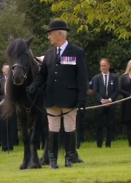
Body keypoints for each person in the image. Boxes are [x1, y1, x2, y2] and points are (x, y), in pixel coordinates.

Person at [27, 20, 88, 169]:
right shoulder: (49, 54)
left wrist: (82, 98)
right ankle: (52, 159)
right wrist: (34, 86)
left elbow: (82, 77)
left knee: (69, 128)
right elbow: (42, 75)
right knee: (52, 129)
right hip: (51, 98)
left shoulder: (77, 52)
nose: (49, 37)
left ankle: (69, 158)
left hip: (69, 98)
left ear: (60, 34)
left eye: (50, 34)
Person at [92, 58, 119, 148]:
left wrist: (110, 100)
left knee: (110, 125)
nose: (103, 67)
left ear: (108, 66)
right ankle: (99, 144)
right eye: (102, 66)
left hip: (111, 105)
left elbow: (116, 90)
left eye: (105, 65)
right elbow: (95, 91)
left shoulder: (114, 78)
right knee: (99, 125)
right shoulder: (96, 78)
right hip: (100, 105)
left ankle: (108, 144)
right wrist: (102, 100)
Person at [0, 64, 18, 152]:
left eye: (9, 69)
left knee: (11, 126)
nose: (8, 71)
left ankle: (10, 145)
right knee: (3, 127)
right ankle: (4, 145)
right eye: (6, 69)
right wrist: (4, 101)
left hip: (12, 107)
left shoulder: (14, 81)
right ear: (3, 71)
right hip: (3, 107)